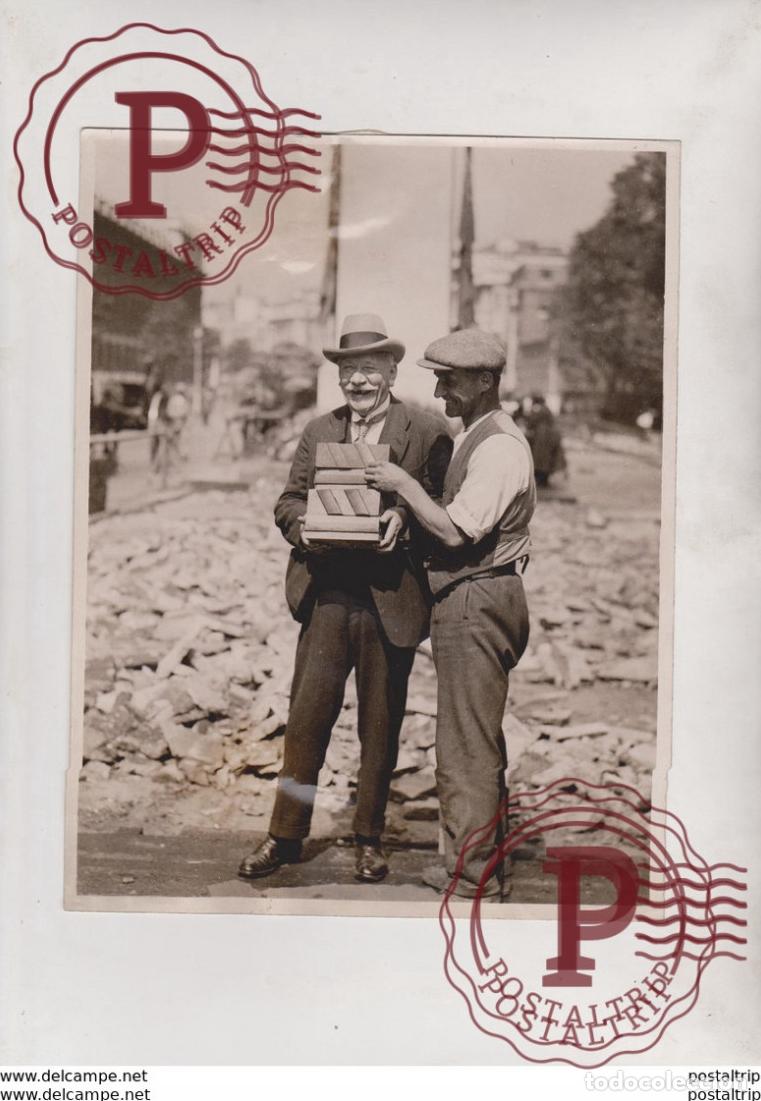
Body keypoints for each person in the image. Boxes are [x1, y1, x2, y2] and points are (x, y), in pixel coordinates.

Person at [238, 314, 452, 884]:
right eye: (348, 370)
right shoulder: (318, 432)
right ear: (339, 377)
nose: (358, 381)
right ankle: (284, 837)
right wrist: (302, 526)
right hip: (329, 592)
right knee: (306, 719)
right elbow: (287, 500)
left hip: (390, 595)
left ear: (390, 369)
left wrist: (402, 519)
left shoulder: (427, 431)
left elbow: (440, 503)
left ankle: (369, 838)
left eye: (369, 369)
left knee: (380, 725)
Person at [365, 328, 535, 900]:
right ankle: (483, 862)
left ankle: (474, 876)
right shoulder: (478, 439)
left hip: (477, 597)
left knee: (465, 744)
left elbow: (458, 530)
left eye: (451, 379)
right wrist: (408, 515)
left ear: (487, 381)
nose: (440, 393)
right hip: (477, 595)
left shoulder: (499, 448)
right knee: (477, 737)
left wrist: (402, 487)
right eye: (437, 378)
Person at [525, 393, 565, 488]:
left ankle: (542, 480)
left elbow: (531, 422)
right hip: (550, 436)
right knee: (547, 459)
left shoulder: (538, 410)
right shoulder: (547, 410)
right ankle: (544, 480)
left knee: (540, 459)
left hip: (542, 437)